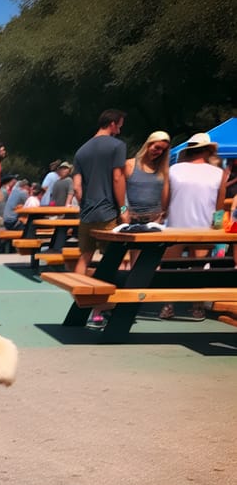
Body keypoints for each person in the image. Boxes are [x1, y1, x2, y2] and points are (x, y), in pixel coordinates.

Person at [160, 132, 227, 320]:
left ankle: (168, 305)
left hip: (175, 226)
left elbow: (164, 200)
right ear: (207, 150)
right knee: (199, 269)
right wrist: (218, 228)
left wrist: (164, 212)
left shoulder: (174, 169)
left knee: (170, 268)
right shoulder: (219, 173)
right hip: (203, 228)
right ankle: (197, 307)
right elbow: (219, 206)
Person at [72, 109, 128, 329]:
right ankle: (102, 309)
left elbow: (77, 187)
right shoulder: (117, 146)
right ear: (113, 124)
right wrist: (123, 207)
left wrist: (85, 205)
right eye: (120, 125)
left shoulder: (82, 150)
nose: (120, 130)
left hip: (87, 213)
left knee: (84, 257)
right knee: (116, 259)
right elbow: (117, 178)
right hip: (108, 213)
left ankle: (79, 303)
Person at [124, 131, 171, 224]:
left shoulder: (163, 170)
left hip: (156, 221)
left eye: (163, 150)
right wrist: (123, 212)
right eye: (157, 148)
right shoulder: (129, 165)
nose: (159, 152)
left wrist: (163, 215)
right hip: (132, 221)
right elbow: (120, 196)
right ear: (148, 145)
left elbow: (165, 198)